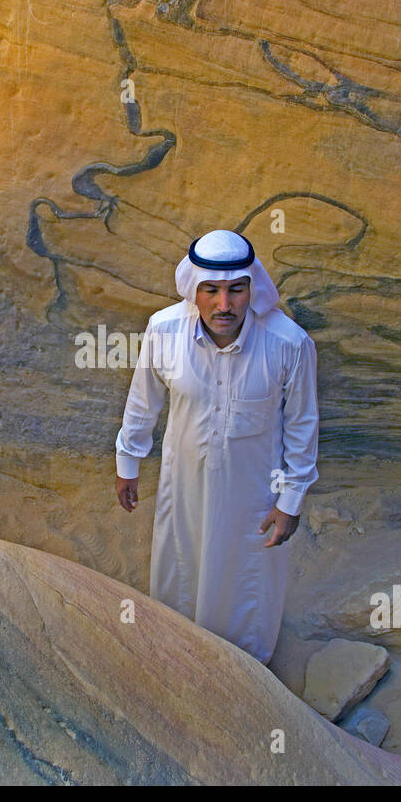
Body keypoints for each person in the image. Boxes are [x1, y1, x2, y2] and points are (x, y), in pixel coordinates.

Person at [114, 229, 319, 664]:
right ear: (195, 289)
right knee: (182, 563)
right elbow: (143, 400)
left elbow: (302, 426)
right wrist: (128, 461)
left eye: (235, 290)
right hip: (182, 483)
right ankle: (179, 653)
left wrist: (292, 500)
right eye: (211, 290)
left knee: (248, 577)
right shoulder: (164, 329)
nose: (223, 305)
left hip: (255, 493)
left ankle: (245, 668)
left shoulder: (289, 343)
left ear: (252, 289)